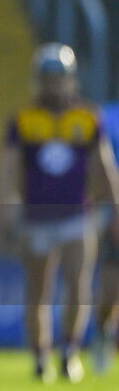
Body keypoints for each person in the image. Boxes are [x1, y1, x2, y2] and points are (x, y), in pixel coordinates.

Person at [0, 43, 119, 382]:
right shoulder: (23, 120)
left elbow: (103, 167)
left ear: (71, 80)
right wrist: (5, 206)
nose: (54, 86)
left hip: (78, 215)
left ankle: (70, 351)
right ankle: (40, 356)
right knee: (39, 290)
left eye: (59, 79)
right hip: (37, 219)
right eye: (47, 79)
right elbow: (8, 168)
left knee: (79, 284)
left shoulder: (87, 118)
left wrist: (115, 206)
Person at [92, 92, 119, 372]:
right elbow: (100, 166)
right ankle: (103, 332)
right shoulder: (106, 116)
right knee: (111, 290)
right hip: (115, 211)